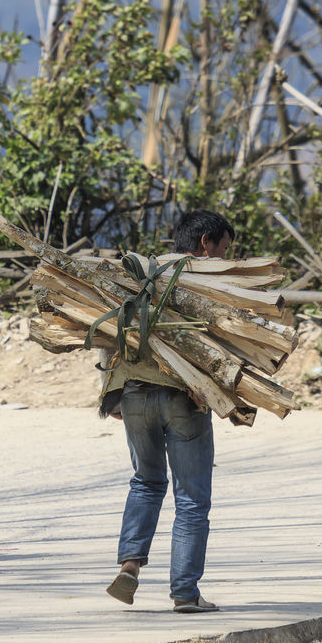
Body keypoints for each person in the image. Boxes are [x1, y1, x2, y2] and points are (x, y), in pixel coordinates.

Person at [102, 209, 234, 614]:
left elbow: (111, 329)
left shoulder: (142, 273)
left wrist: (112, 396)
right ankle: (185, 593)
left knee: (145, 482)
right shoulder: (204, 279)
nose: (224, 258)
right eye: (223, 249)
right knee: (192, 498)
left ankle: (130, 564)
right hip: (183, 399)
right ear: (204, 243)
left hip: (133, 394)